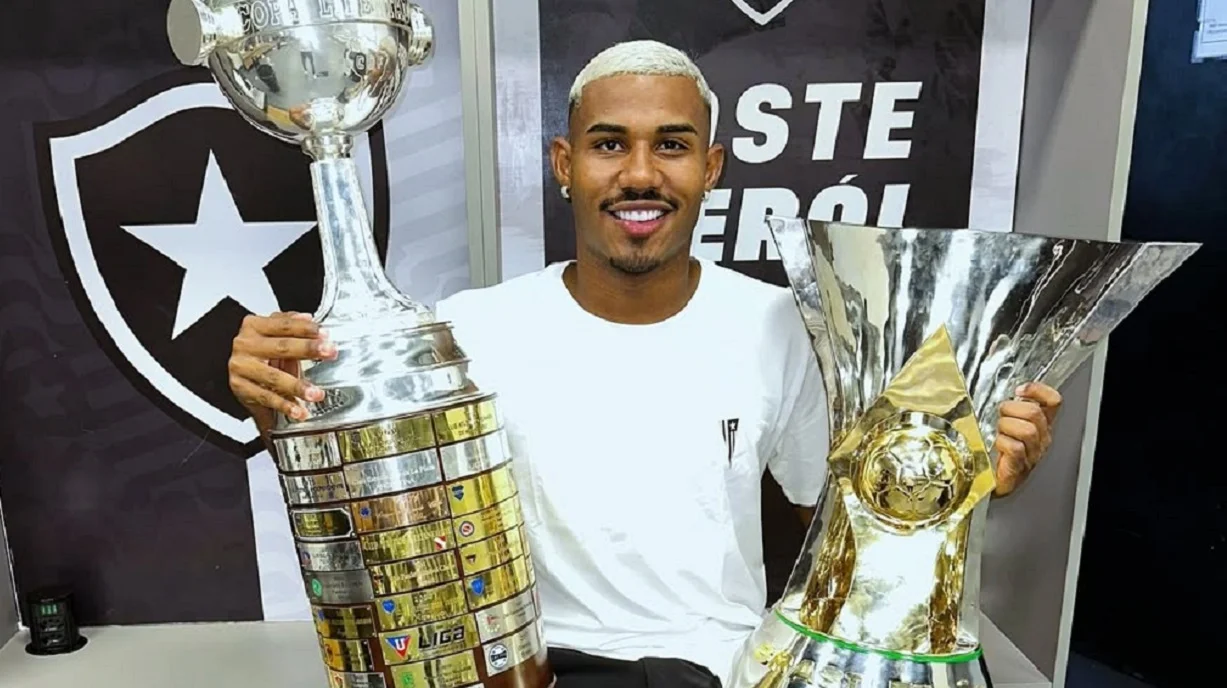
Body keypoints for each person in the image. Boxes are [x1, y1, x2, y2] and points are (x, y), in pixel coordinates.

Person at [227, 40, 1063, 687]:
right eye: (608, 144)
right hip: (536, 670)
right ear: (564, 165)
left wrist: (958, 483)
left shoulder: (781, 324)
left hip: (720, 669)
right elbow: (381, 513)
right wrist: (286, 413)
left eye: (670, 145)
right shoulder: (469, 330)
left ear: (709, 168)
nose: (638, 174)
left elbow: (845, 528)